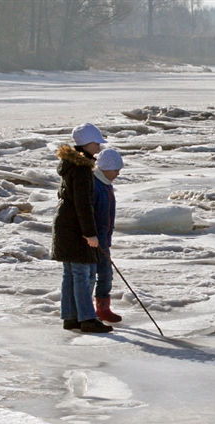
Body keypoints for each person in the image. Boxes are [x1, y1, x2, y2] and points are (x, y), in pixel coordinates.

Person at [52, 123, 113, 334]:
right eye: (96, 143)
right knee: (82, 273)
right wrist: (90, 233)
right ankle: (87, 318)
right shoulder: (81, 169)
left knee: (71, 273)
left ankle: (70, 317)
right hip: (74, 228)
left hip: (66, 225)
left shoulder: (71, 165)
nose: (99, 147)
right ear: (86, 144)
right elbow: (83, 204)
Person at [92, 148, 123, 323]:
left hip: (103, 238)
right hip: (94, 238)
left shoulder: (106, 185)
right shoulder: (95, 185)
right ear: (105, 168)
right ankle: (92, 309)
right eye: (115, 170)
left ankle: (103, 308)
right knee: (97, 274)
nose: (118, 174)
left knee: (105, 274)